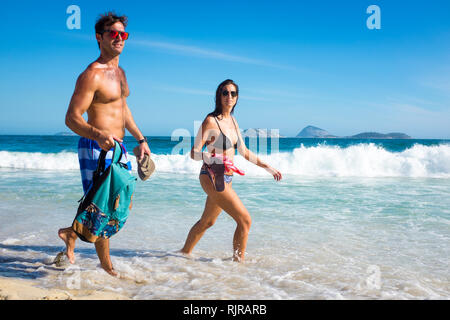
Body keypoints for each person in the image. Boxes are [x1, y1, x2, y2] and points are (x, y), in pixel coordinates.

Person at [58, 12, 151, 276]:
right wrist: (97, 134)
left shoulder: (121, 72)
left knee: (122, 204)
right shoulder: (91, 74)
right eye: (113, 33)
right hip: (96, 147)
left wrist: (141, 139)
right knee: (104, 208)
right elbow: (71, 118)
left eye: (123, 34)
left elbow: (123, 109)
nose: (119, 38)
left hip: (118, 148)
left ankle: (71, 234)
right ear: (99, 38)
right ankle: (107, 266)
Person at [180, 79, 282, 262]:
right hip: (211, 175)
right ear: (219, 96)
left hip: (226, 178)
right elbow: (194, 153)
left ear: (237, 98)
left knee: (208, 221)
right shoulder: (211, 120)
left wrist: (269, 167)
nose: (229, 96)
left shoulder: (233, 121)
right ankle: (238, 264)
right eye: (225, 93)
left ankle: (182, 254)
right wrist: (211, 158)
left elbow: (244, 152)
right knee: (245, 220)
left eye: (233, 93)